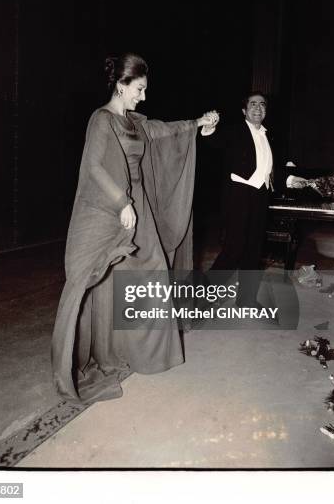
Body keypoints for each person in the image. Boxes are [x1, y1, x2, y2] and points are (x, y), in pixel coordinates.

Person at [51, 53, 219, 404]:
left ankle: (148, 354)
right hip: (111, 208)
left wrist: (197, 124)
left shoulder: (133, 122)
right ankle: (102, 355)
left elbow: (161, 131)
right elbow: (94, 166)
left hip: (136, 203)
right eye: (139, 89)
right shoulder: (102, 120)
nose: (143, 96)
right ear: (121, 84)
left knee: (151, 271)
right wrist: (120, 202)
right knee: (100, 282)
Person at [209, 92, 273, 308]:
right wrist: (209, 127)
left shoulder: (267, 134)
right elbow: (214, 140)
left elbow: (270, 164)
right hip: (238, 193)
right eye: (253, 104)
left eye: (262, 104)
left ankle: (246, 300)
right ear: (244, 111)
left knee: (253, 249)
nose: (258, 108)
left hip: (260, 194)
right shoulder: (236, 131)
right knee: (233, 249)